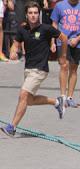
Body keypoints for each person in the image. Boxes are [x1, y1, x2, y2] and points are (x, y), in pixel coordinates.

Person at [0, 1, 68, 136]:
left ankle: (12, 127)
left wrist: (63, 56)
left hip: (40, 69)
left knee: (23, 95)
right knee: (29, 100)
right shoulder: (22, 30)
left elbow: (64, 38)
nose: (33, 16)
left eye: (36, 13)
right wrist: (13, 51)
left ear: (39, 14)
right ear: (26, 15)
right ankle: (56, 102)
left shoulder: (46, 29)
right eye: (30, 13)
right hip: (28, 69)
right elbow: (16, 44)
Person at [50, 0, 80, 108]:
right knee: (64, 66)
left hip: (77, 42)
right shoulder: (59, 6)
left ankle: (70, 97)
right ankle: (62, 96)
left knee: (74, 69)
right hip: (62, 40)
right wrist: (52, 41)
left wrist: (78, 39)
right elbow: (54, 24)